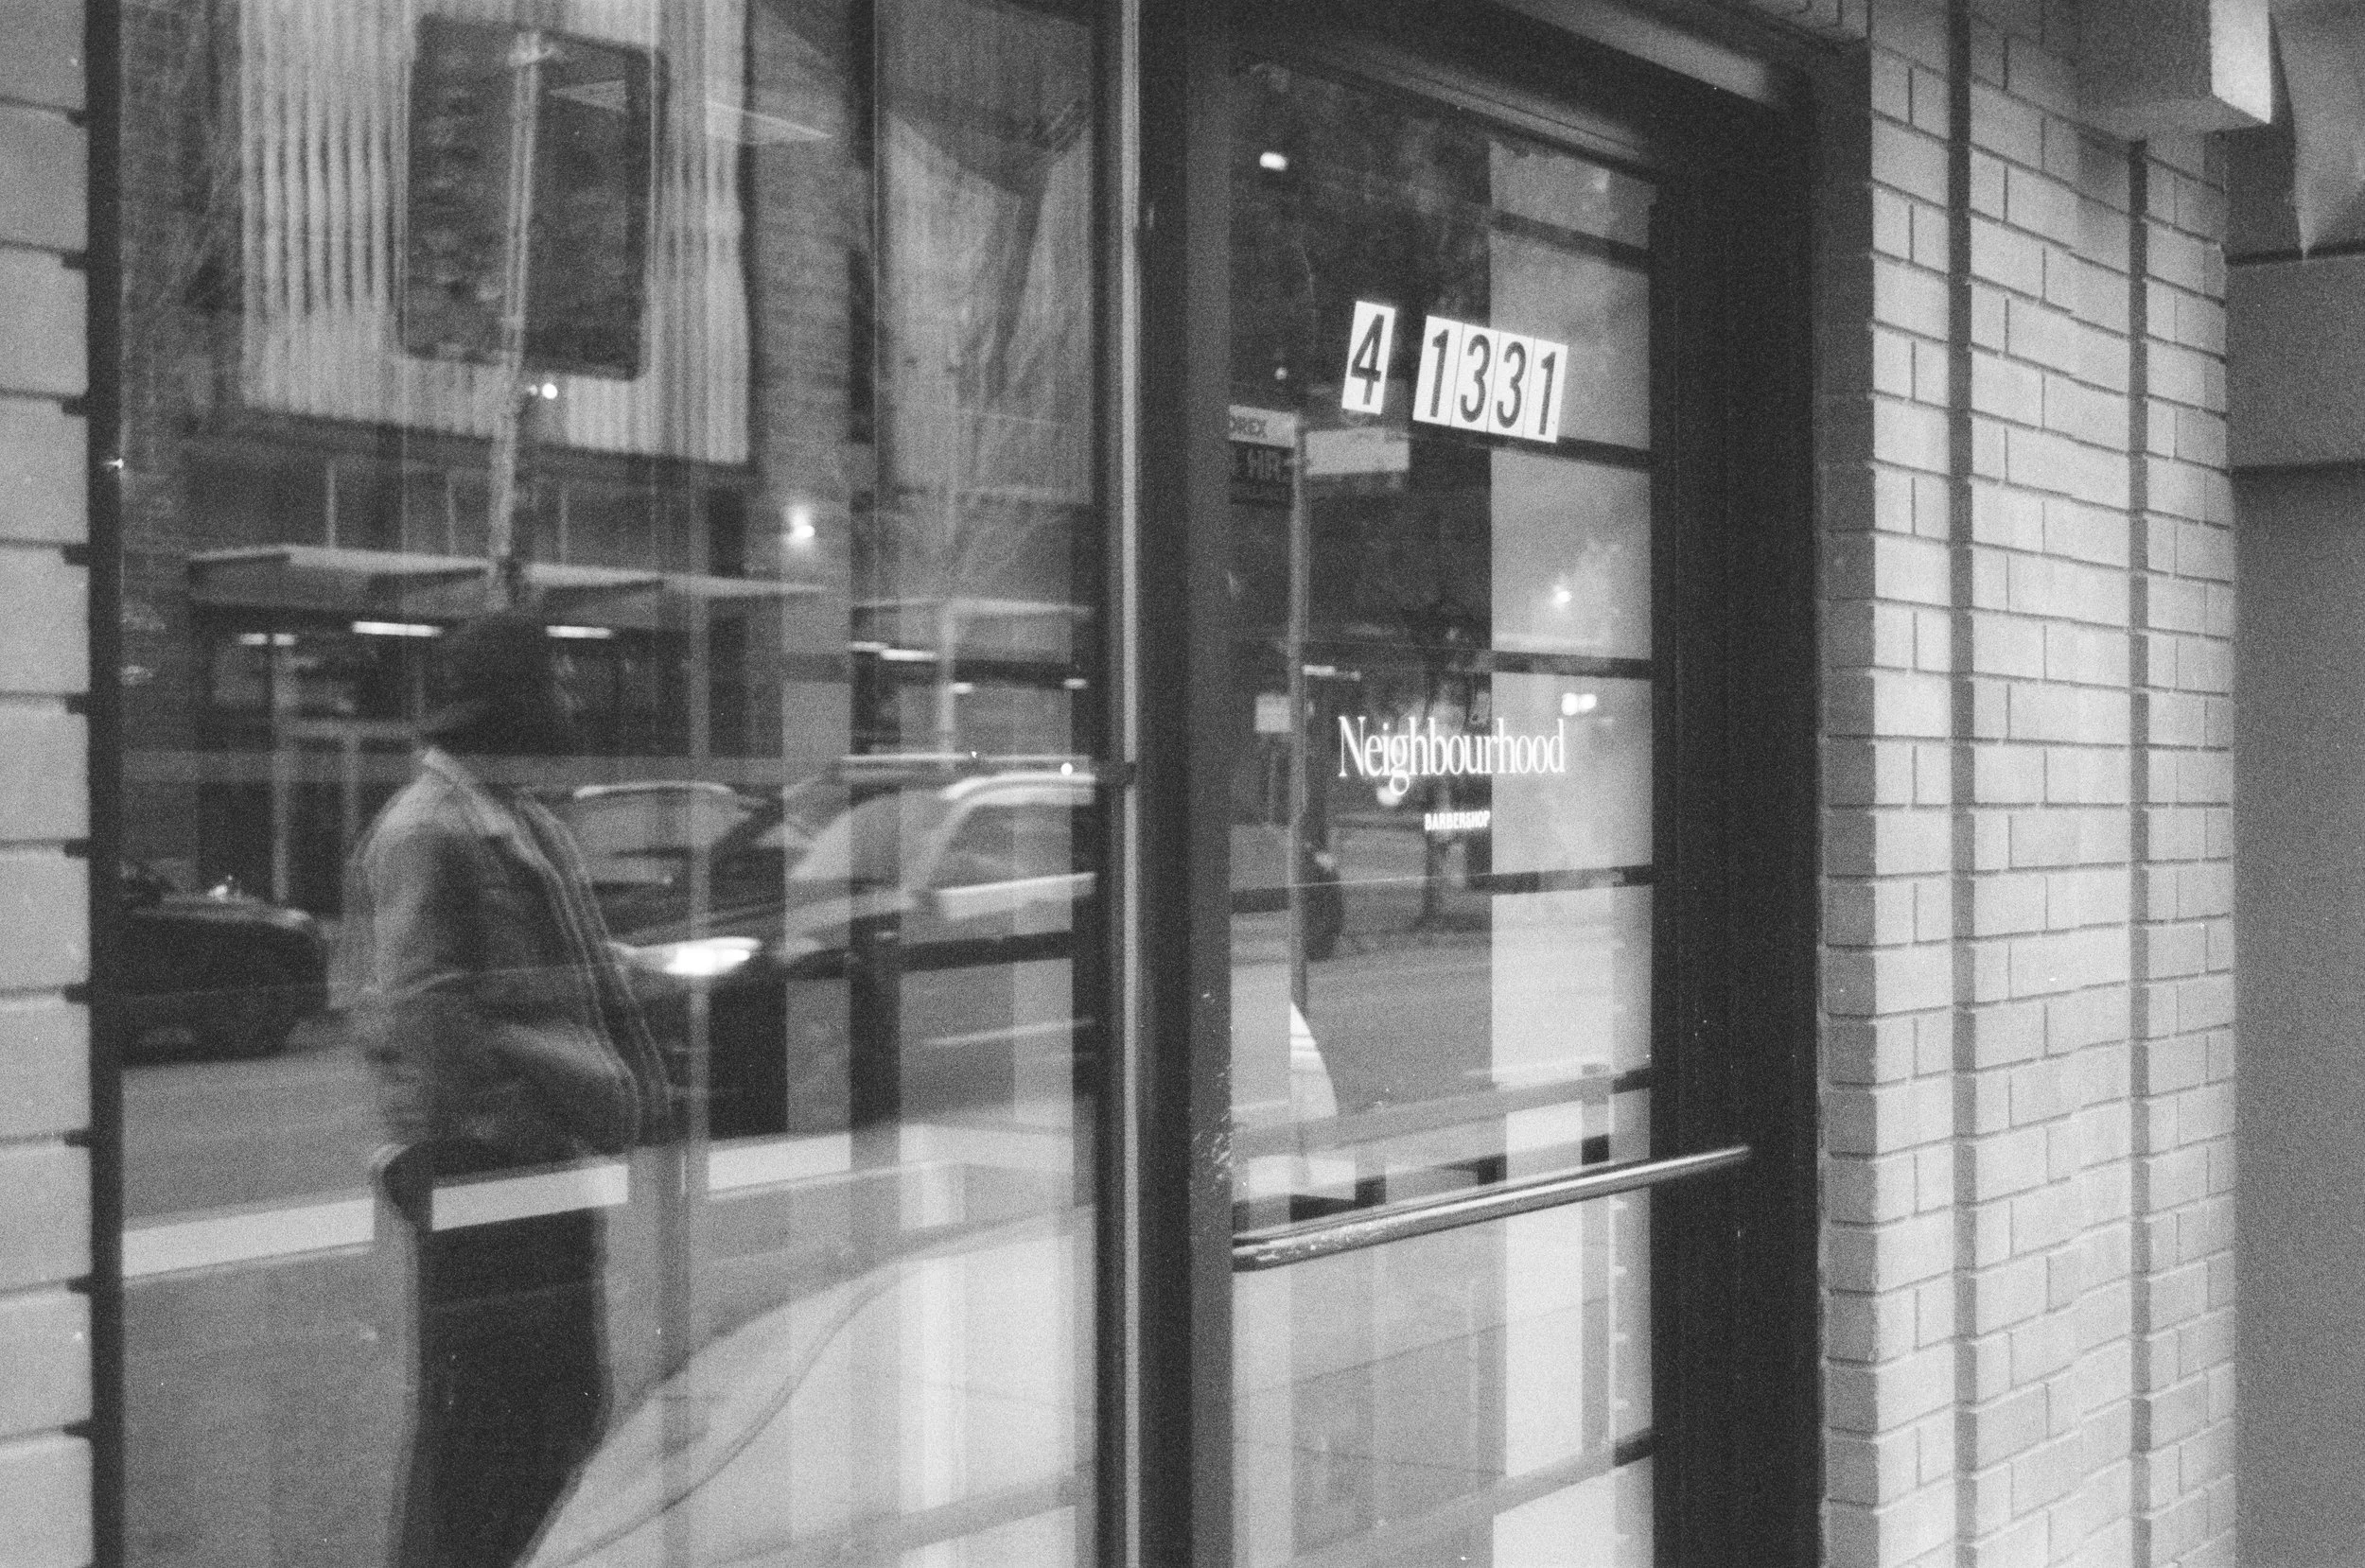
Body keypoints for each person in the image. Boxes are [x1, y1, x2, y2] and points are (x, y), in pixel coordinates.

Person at [333, 609, 674, 1568]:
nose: (566, 698)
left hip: (530, 1167)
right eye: (552, 682)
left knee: (547, 1407)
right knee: (483, 1427)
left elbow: (509, 975)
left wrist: (632, 967)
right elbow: (426, 1010)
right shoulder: (429, 829)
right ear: (507, 707)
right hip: (490, 1169)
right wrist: (526, 1129)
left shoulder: (511, 818)